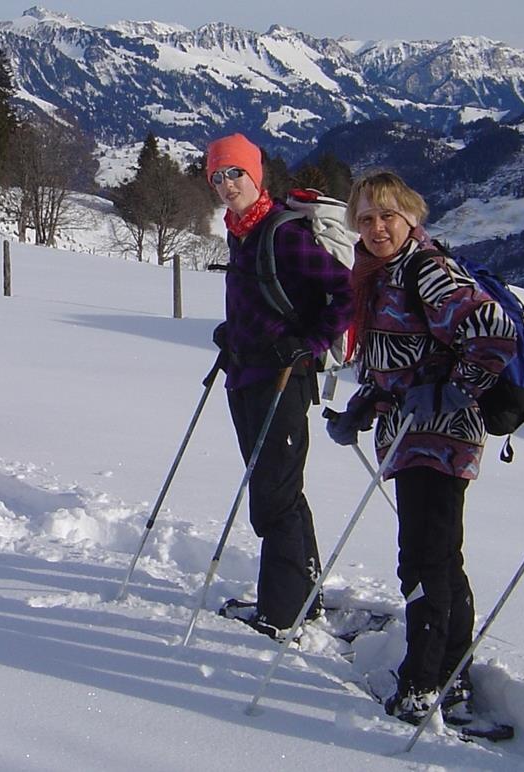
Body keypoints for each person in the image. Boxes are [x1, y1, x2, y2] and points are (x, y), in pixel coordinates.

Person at [325, 170, 517, 726]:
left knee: (424, 561)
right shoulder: (384, 274)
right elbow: (400, 361)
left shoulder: (426, 270)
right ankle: (450, 675)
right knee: (441, 559)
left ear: (412, 217)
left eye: (388, 215)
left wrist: (450, 391)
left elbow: (494, 332)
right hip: (411, 433)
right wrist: (365, 405)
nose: (377, 227)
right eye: (365, 218)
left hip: (440, 438)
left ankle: (422, 683)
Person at [207, 133, 356, 639]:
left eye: (235, 174)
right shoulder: (238, 232)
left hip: (284, 379)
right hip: (246, 375)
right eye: (218, 177)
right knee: (274, 488)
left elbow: (345, 292)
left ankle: (282, 611)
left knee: (274, 495)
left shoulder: (284, 233)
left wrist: (309, 343)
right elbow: (261, 300)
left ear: (257, 174)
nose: (227, 185)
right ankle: (301, 595)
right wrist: (235, 334)